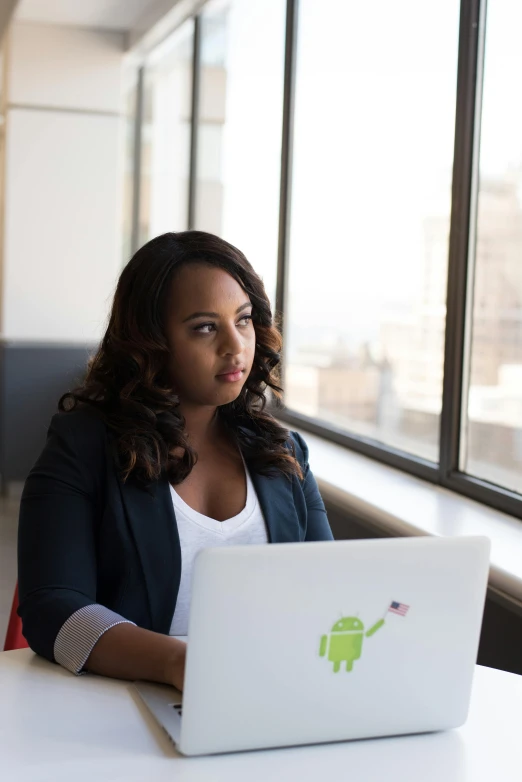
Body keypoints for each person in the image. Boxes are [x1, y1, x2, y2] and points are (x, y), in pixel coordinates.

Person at [17, 231, 333, 691]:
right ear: (150, 343)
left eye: (242, 320)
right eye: (205, 326)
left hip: (269, 693)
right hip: (132, 704)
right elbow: (52, 610)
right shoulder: (82, 446)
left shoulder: (284, 453)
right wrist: (179, 664)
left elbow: (332, 588)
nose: (235, 346)